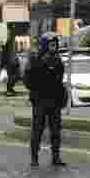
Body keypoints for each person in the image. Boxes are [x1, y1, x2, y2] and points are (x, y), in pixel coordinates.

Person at [23, 32, 67, 168]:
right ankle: (34, 158)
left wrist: (62, 96)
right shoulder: (35, 59)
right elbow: (28, 81)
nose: (54, 47)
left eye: (55, 44)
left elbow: (59, 80)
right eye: (51, 44)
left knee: (55, 131)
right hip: (40, 101)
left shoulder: (58, 60)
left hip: (54, 101)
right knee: (37, 130)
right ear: (45, 45)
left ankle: (56, 157)